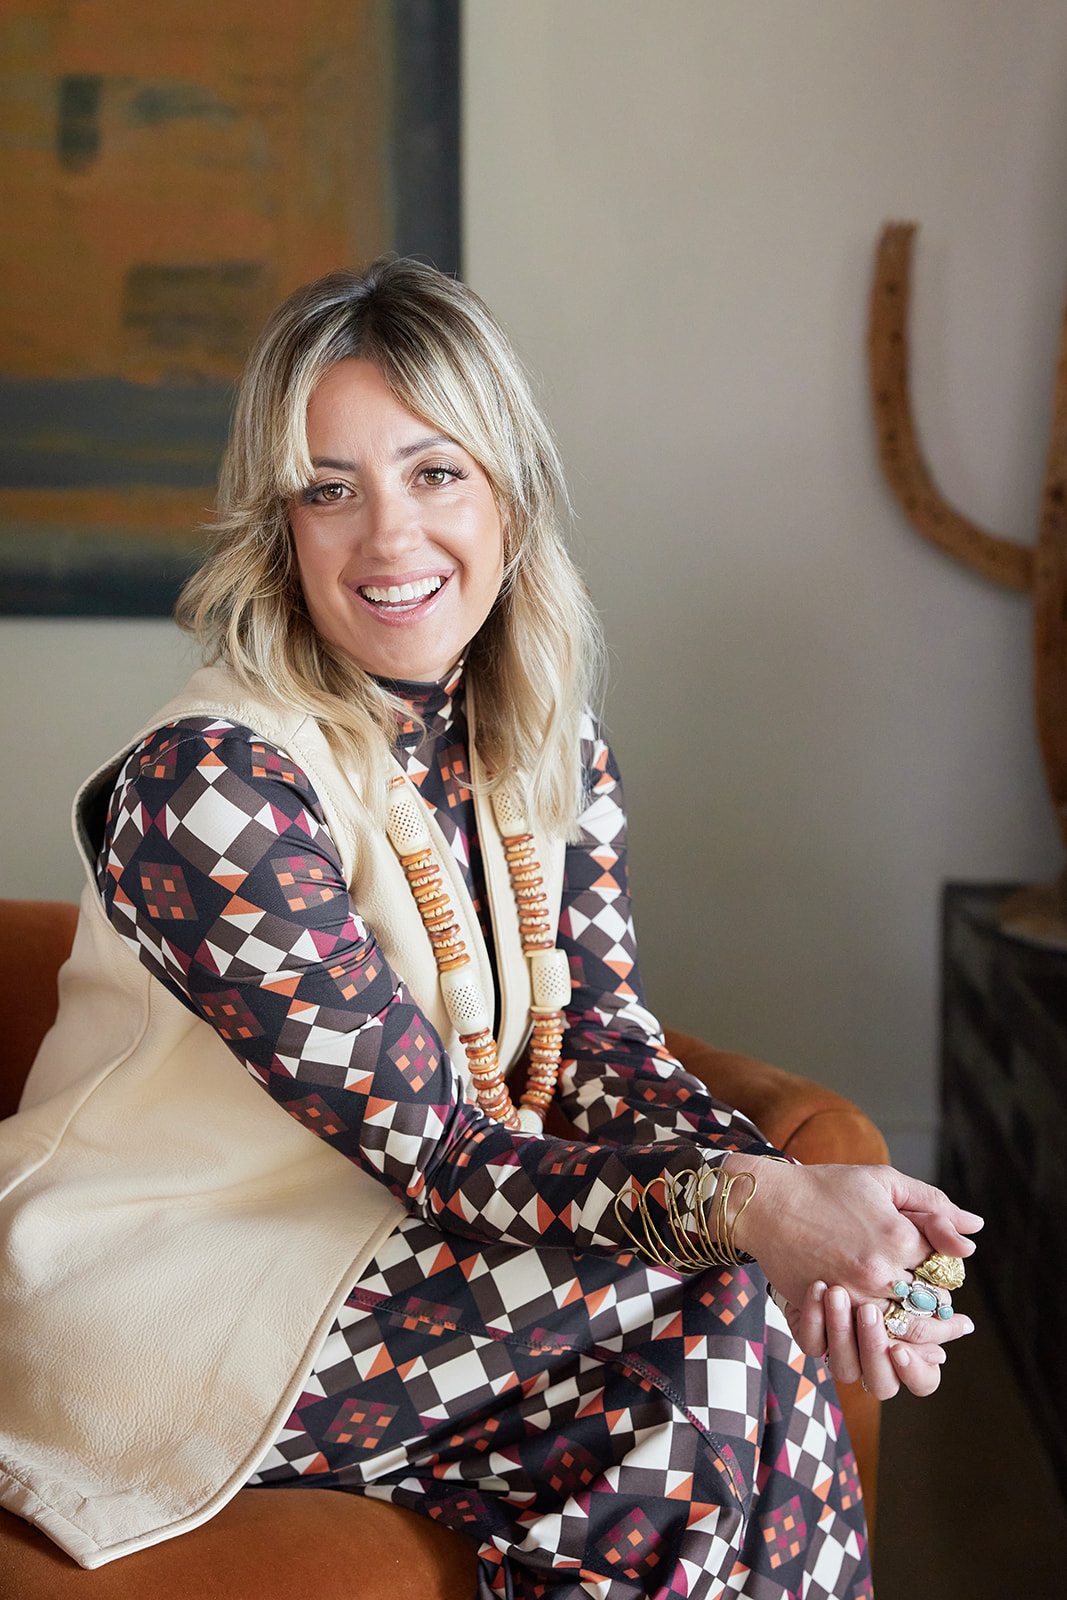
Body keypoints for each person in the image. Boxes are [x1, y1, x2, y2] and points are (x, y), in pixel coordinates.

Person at [0, 258, 981, 1597]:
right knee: (712, 1302)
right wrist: (761, 1212)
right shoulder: (212, 788)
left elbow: (603, 1048)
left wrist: (813, 1230)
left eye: (434, 473)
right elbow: (447, 1153)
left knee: (711, 1345)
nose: (388, 537)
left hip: (381, 1256)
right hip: (160, 1294)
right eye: (329, 490)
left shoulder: (547, 746)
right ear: (280, 529)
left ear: (510, 496)